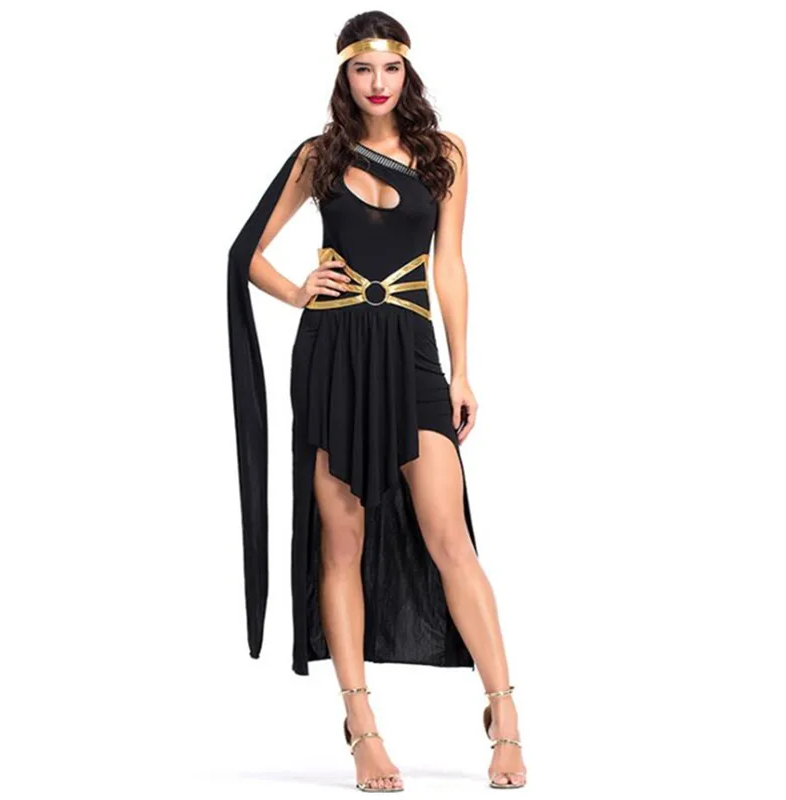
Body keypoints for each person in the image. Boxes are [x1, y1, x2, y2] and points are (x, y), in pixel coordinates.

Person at [227, 11, 527, 793]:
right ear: (345, 76)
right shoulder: (319, 155)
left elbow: (449, 265)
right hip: (333, 356)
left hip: (412, 353)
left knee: (450, 537)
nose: (378, 83)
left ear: (407, 72)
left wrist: (461, 372)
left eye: (389, 68)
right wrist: (298, 290)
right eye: (363, 69)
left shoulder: (444, 154)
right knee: (342, 543)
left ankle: (505, 716)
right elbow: (245, 252)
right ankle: (361, 727)